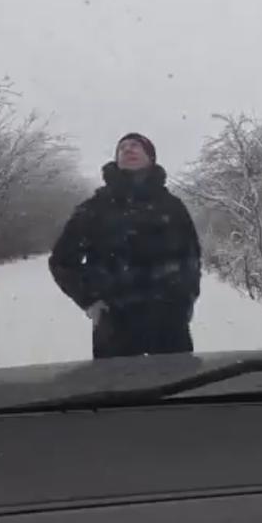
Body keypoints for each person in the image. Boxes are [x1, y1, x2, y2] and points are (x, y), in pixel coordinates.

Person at [49, 132, 202, 359]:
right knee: (117, 382)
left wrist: (186, 300)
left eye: (135, 145)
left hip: (169, 321)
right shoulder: (95, 208)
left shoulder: (172, 206)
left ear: (151, 157)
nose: (128, 149)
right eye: (122, 148)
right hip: (115, 324)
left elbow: (191, 257)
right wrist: (89, 301)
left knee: (179, 380)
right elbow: (62, 261)